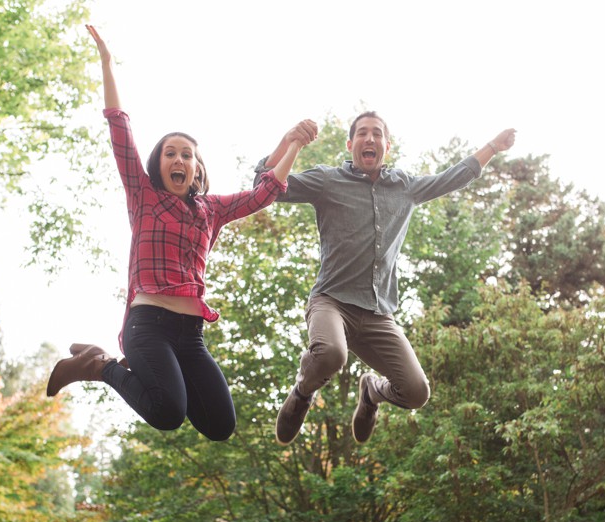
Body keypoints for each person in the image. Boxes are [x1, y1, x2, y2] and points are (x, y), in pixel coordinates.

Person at [46, 25, 313, 442]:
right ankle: (101, 365)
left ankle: (138, 373)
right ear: (159, 164)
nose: (178, 158)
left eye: (186, 154)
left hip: (190, 336)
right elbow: (120, 129)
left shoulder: (212, 210)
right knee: (168, 412)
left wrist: (292, 144)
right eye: (170, 152)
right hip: (147, 324)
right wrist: (106, 64)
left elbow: (264, 193)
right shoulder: (144, 195)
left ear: (196, 169)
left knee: (220, 426)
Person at [255, 111, 516, 446]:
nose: (370, 139)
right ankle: (303, 391)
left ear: (386, 146)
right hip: (332, 302)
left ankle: (371, 392)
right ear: (350, 144)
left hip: (379, 313)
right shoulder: (327, 181)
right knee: (333, 353)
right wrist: (290, 141)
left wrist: (492, 147)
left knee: (417, 392)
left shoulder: (404, 188)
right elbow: (265, 185)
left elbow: (452, 177)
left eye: (377, 134)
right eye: (362, 133)